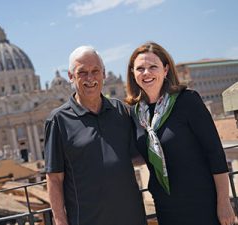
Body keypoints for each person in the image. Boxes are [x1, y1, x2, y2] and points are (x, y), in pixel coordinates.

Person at [125, 41, 236, 225]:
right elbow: (144, 154)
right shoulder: (135, 113)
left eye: (153, 66)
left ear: (166, 70)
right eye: (140, 68)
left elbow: (215, 153)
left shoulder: (188, 101)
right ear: (133, 73)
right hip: (166, 207)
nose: (146, 73)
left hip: (202, 203)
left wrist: (224, 202)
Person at [44, 46, 146, 225]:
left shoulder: (122, 111)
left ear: (103, 74)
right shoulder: (57, 120)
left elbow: (139, 154)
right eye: (82, 72)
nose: (90, 78)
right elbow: (54, 178)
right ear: (71, 76)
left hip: (132, 216)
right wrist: (60, 221)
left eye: (95, 71)